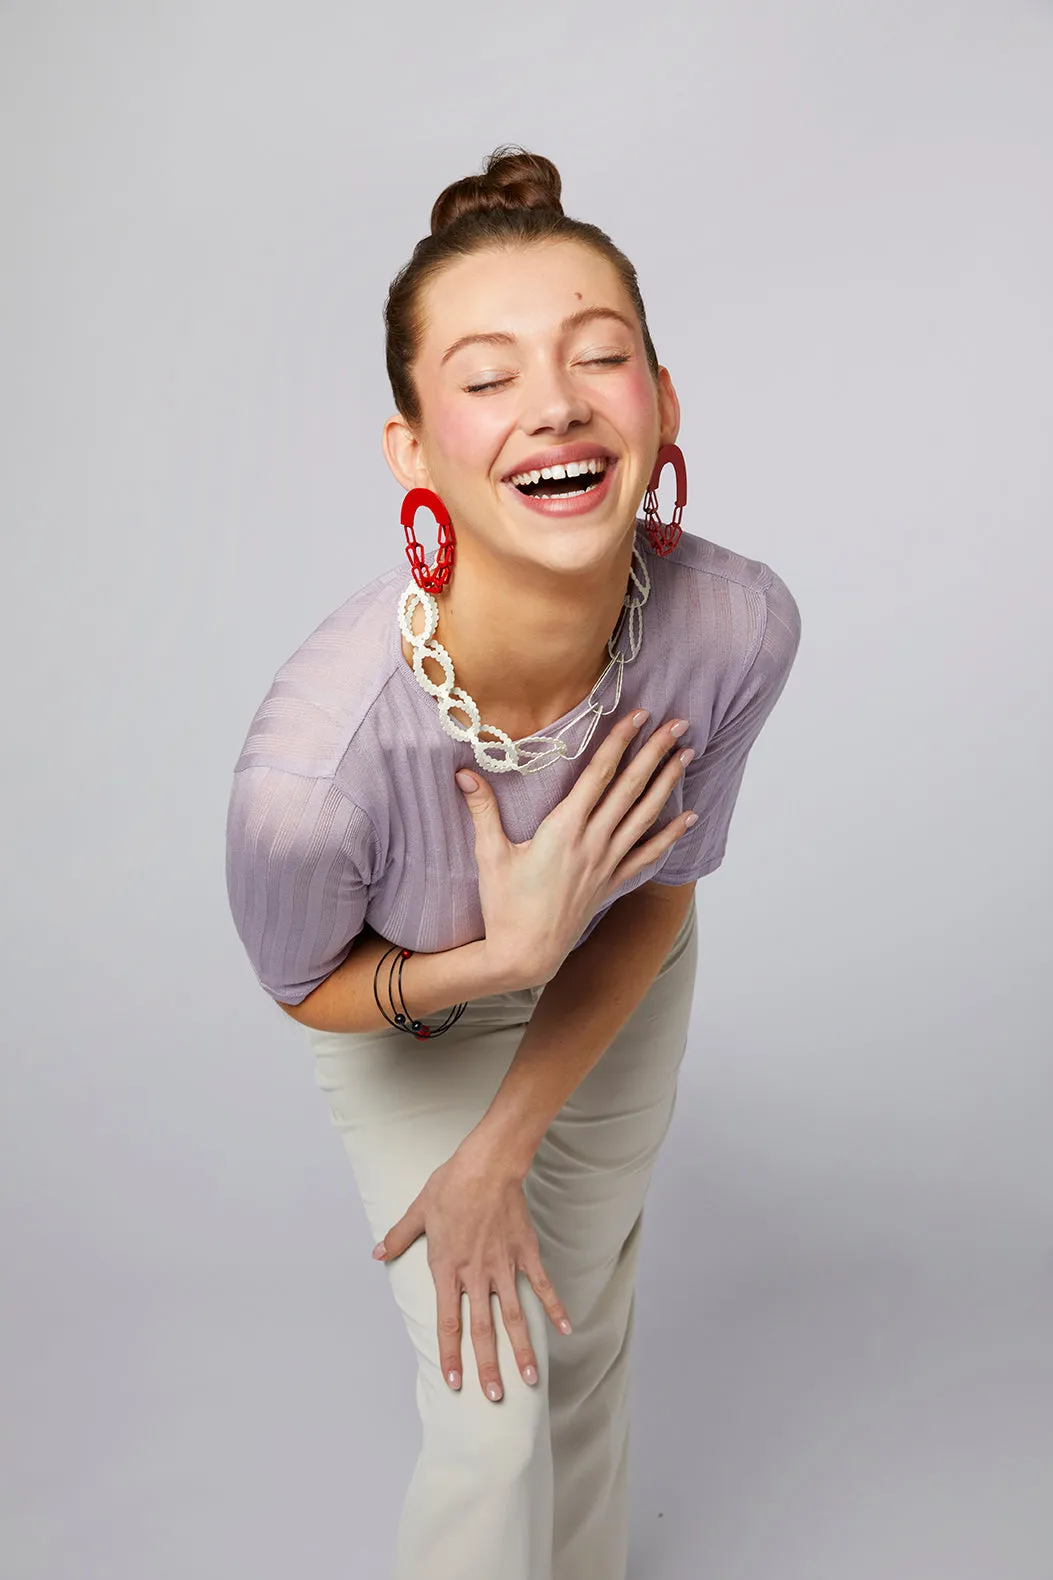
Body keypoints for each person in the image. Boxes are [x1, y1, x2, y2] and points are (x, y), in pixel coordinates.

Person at [224, 145, 802, 1580]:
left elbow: (658, 888)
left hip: (617, 976)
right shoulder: (313, 771)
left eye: (598, 356)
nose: (553, 400)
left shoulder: (732, 629)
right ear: (413, 450)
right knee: (491, 1413)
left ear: (659, 407)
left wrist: (509, 1134)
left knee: (585, 1325)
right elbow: (307, 985)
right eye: (485, 378)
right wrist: (496, 958)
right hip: (396, 1006)